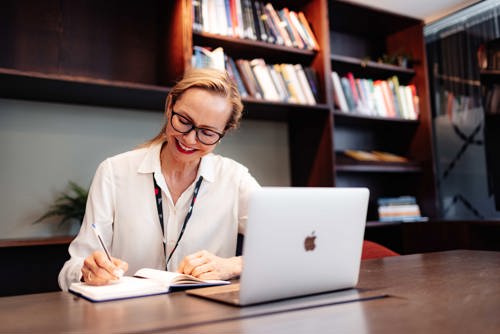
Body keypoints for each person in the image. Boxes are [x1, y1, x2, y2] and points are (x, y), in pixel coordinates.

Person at [58, 68, 261, 291]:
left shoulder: (235, 179)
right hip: (130, 315)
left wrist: (233, 265)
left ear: (223, 134)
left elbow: (291, 247)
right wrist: (88, 271)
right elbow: (70, 270)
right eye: (184, 120)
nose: (190, 139)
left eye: (207, 133)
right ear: (169, 106)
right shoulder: (114, 172)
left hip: (206, 318)